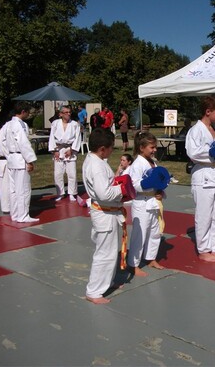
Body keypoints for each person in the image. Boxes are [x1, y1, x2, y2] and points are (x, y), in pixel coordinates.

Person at [82, 128, 126, 304]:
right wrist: (122, 188)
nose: (111, 150)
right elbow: (104, 194)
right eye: (110, 147)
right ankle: (93, 291)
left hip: (107, 212)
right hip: (104, 212)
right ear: (102, 148)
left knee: (110, 251)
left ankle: (107, 282)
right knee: (104, 253)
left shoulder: (96, 160)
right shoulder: (97, 166)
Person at [185, 96, 215, 262]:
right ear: (208, 111)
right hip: (202, 177)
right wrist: (213, 154)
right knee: (204, 215)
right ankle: (203, 250)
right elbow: (193, 153)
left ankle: (213, 247)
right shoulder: (195, 130)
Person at [127, 132, 166, 276]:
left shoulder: (153, 162)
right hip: (141, 203)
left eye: (155, 147)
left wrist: (160, 191)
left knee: (155, 232)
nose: (155, 150)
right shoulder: (137, 164)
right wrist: (150, 184)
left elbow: (159, 180)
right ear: (142, 147)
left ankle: (150, 258)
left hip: (153, 202)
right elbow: (135, 184)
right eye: (152, 147)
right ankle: (133, 264)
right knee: (140, 234)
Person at [5, 102, 39, 223]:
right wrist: (29, 160)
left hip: (11, 159)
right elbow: (23, 143)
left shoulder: (8, 124)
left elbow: (2, 140)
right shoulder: (19, 125)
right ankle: (23, 215)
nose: (29, 114)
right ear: (23, 111)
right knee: (23, 189)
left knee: (13, 189)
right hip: (20, 159)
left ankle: (15, 214)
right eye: (28, 112)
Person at [48, 105, 82, 202]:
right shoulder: (55, 123)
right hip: (58, 149)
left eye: (69, 112)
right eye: (66, 112)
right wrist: (54, 151)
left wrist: (72, 149)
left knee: (72, 173)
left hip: (70, 149)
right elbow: (51, 137)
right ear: (61, 114)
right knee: (58, 173)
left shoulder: (75, 124)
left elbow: (77, 138)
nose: (68, 114)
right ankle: (60, 193)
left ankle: (72, 193)